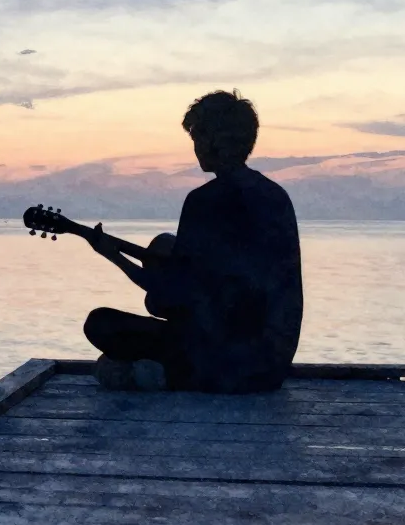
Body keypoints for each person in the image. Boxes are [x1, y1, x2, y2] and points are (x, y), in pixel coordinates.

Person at [83, 89, 303, 393]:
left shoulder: (204, 202)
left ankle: (168, 375)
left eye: (198, 136)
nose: (195, 147)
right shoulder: (276, 196)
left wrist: (114, 256)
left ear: (214, 140)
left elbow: (172, 292)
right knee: (166, 252)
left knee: (100, 323)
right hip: (271, 364)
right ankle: (165, 373)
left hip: (219, 359)